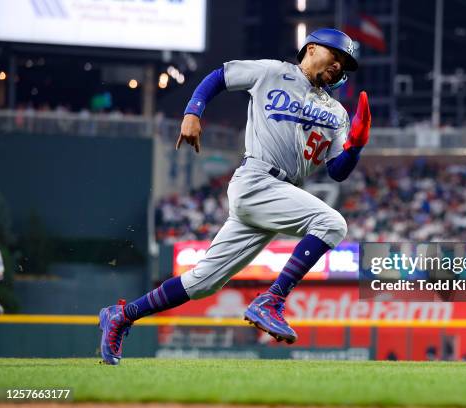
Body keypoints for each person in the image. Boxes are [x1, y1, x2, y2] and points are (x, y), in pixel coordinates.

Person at [98, 28, 371, 365]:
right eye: (337, 55)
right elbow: (219, 76)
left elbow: (337, 171)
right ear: (312, 48)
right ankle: (271, 300)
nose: (340, 65)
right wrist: (192, 112)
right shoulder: (272, 72)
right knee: (332, 223)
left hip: (279, 195)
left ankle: (122, 315)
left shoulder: (338, 114)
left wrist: (355, 147)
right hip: (257, 180)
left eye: (345, 63)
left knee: (202, 283)